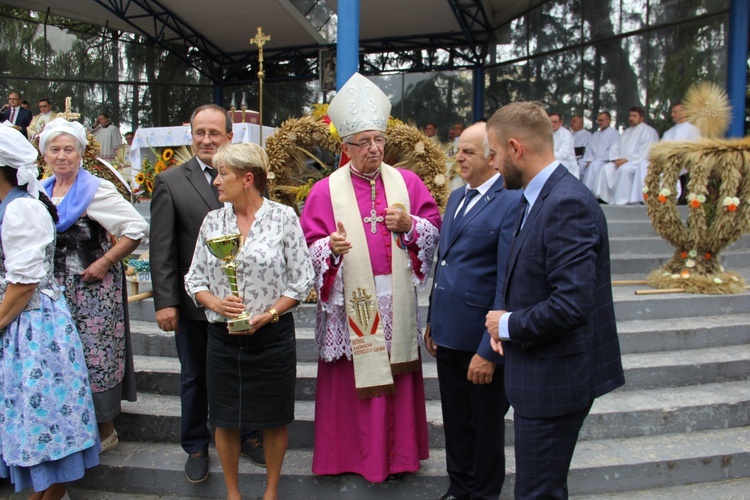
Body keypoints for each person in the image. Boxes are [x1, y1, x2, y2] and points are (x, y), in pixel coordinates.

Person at [300, 72, 441, 483]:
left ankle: (397, 458)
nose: (374, 149)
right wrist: (330, 250)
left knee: (396, 378)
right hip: (353, 301)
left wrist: (411, 225)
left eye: (379, 140)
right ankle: (349, 455)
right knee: (354, 384)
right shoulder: (324, 191)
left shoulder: (407, 182)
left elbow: (433, 230)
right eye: (364, 142)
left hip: (395, 299)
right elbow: (310, 247)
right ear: (345, 148)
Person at [484, 101, 625, 499]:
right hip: (538, 374)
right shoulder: (537, 197)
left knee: (537, 493)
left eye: (493, 154)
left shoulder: (566, 203)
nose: (491, 164)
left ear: (515, 148)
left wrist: (507, 324)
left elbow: (571, 304)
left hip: (555, 381)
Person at [185, 142, 313, 500]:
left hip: (272, 337)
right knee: (223, 417)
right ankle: (233, 493)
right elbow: (194, 279)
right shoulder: (214, 221)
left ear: (248, 178)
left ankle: (271, 491)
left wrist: (269, 314)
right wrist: (215, 302)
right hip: (223, 338)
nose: (216, 181)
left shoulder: (283, 217)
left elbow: (302, 280)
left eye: (223, 173)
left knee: (273, 417)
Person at [150, 103, 265, 484]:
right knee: (194, 376)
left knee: (241, 373)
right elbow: (162, 248)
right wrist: (166, 302)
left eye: (214, 133)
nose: (206, 139)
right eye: (200, 132)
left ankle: (248, 434)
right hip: (196, 304)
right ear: (190, 133)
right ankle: (196, 445)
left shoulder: (247, 176)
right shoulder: (170, 180)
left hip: (242, 305)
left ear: (229, 137)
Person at [0, 125, 100, 499]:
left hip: (33, 326)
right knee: (28, 420)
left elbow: (25, 282)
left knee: (42, 420)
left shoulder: (22, 209)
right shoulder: (15, 205)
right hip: (23, 321)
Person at [39, 117, 148, 455]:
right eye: (54, 150)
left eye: (68, 149)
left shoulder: (94, 189)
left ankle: (105, 428)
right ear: (44, 156)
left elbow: (135, 227)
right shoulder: (40, 190)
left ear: (81, 154)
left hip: (92, 291)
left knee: (95, 355)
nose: (61, 156)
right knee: (58, 355)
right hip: (52, 289)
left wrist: (104, 263)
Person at [425, 122, 521, 500]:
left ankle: (483, 493)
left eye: (468, 151)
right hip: (448, 331)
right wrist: (433, 317)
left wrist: (489, 346)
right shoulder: (457, 197)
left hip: (481, 337)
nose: (458, 157)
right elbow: (444, 264)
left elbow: (507, 281)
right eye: (457, 150)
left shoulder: (511, 201)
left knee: (484, 425)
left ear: (493, 159)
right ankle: (459, 487)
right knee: (455, 421)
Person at [593, 106, 659, 204]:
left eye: (634, 116)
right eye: (630, 116)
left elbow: (645, 151)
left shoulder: (648, 131)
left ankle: (623, 200)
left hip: (638, 163)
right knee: (605, 169)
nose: (631, 118)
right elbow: (615, 147)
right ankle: (603, 198)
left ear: (642, 117)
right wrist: (616, 159)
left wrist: (627, 160)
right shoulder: (627, 132)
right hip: (622, 161)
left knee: (625, 169)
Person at [581, 112, 620, 193]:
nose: (599, 123)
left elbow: (613, 150)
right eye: (598, 120)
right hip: (593, 160)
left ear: (608, 120)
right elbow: (589, 149)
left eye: (601, 120)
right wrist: (589, 159)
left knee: (594, 166)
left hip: (605, 161)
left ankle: (591, 192)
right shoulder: (595, 134)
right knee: (581, 164)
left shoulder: (614, 134)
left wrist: (598, 159)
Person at [548, 112, 579, 179]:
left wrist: (548, 157)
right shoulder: (546, 133)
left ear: (560, 122)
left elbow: (564, 153)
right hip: (549, 160)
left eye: (555, 122)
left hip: (565, 163)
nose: (552, 124)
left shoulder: (566, 134)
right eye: (550, 122)